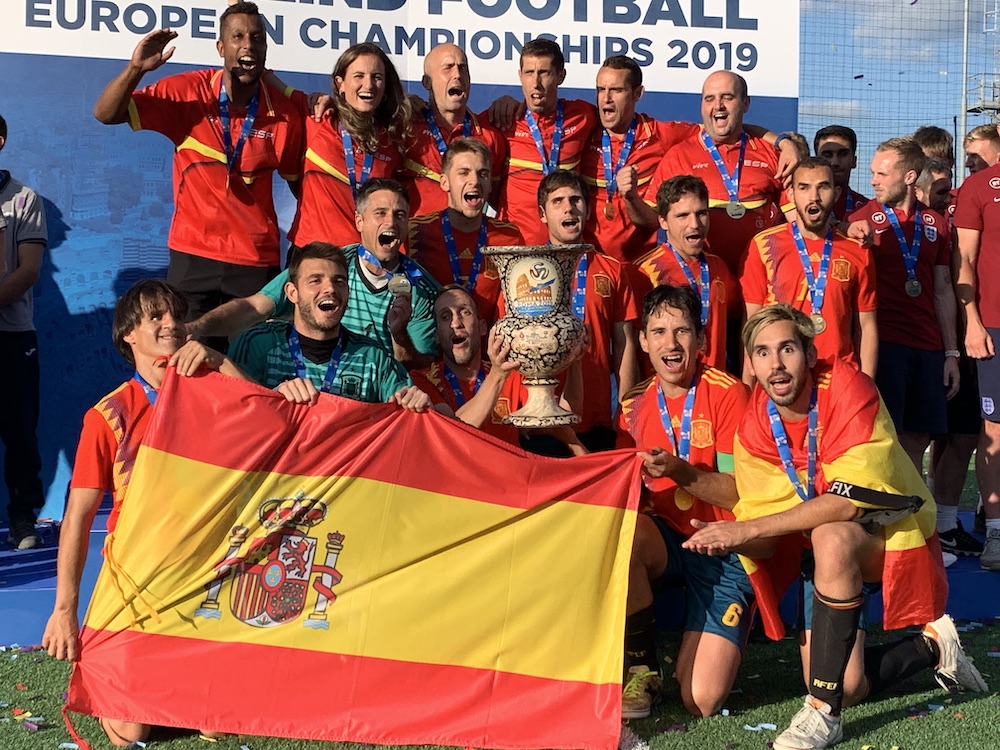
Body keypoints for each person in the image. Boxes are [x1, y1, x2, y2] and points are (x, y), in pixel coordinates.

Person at [684, 304, 986, 750]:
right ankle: (932, 648)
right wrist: (729, 529)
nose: (776, 365)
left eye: (787, 348)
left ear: (809, 353)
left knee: (832, 533)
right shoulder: (757, 420)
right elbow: (764, 519)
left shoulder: (848, 386)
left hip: (892, 532)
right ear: (750, 363)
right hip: (821, 548)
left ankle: (822, 716)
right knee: (847, 683)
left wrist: (743, 530)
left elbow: (847, 505)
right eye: (763, 353)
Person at [41, 280, 247, 746]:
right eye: (156, 317)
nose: (170, 324)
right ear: (129, 335)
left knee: (218, 726)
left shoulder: (216, 390)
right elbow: (76, 518)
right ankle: (131, 682)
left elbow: (271, 419)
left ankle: (175, 682)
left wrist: (221, 361)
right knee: (130, 730)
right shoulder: (108, 416)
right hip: (137, 584)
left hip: (207, 578)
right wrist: (64, 610)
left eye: (175, 316)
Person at [92, 4, 303, 328]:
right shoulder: (190, 93)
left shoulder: (284, 113)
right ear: (221, 47)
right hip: (193, 255)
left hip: (255, 261)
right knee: (186, 362)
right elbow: (106, 114)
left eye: (257, 38)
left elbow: (301, 187)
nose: (248, 44)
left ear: (265, 48)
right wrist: (136, 68)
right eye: (237, 36)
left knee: (250, 371)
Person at [616, 284, 750, 720]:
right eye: (658, 332)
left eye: (681, 331)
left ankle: (734, 618)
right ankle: (644, 668)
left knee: (701, 701)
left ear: (701, 339)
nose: (670, 344)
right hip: (670, 541)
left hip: (723, 544)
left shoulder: (729, 393)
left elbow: (735, 492)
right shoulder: (632, 405)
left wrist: (679, 471)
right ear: (642, 342)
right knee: (623, 536)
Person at [188, 178, 440, 369]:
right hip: (312, 392)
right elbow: (254, 307)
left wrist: (398, 334)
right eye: (380, 213)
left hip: (376, 402)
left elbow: (417, 369)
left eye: (400, 215)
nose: (391, 223)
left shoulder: (420, 287)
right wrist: (197, 327)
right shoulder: (327, 266)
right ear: (359, 221)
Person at [848, 138, 960, 470]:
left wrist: (951, 353)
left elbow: (942, 290)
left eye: (882, 174)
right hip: (886, 344)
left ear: (909, 177)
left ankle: (911, 510)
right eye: (872, 173)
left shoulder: (936, 225)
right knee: (886, 434)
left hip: (927, 345)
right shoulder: (861, 220)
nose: (873, 181)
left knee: (918, 438)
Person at [627, 71, 796, 278]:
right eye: (710, 99)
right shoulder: (679, 155)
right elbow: (653, 221)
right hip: (702, 282)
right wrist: (631, 198)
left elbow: (797, 221)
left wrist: (785, 142)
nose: (718, 105)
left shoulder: (772, 153)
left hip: (758, 279)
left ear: (745, 103)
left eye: (727, 97)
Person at [230, 242, 431, 411]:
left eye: (339, 281)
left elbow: (409, 413)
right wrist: (272, 399)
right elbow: (230, 411)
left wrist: (417, 403)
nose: (330, 289)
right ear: (292, 293)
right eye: (315, 280)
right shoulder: (256, 344)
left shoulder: (374, 357)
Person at [532, 169, 640, 453]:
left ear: (587, 209)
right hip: (543, 418)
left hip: (597, 418)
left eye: (576, 200)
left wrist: (626, 412)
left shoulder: (613, 270)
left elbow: (625, 344)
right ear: (542, 214)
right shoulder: (525, 270)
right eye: (557, 201)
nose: (569, 207)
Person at [742, 158, 877, 378]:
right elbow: (752, 324)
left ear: (836, 193)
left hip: (839, 377)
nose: (813, 197)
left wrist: (867, 384)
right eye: (804, 187)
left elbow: (866, 325)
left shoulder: (858, 250)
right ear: (791, 194)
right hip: (781, 377)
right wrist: (749, 386)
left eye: (822, 187)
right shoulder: (762, 245)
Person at [286, 43, 412, 255]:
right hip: (311, 252)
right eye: (359, 76)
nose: (368, 84)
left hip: (363, 258)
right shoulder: (317, 119)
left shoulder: (392, 141)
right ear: (340, 83)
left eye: (377, 77)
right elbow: (266, 80)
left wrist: (416, 104)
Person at [407, 138, 523, 328]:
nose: (475, 181)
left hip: (488, 353)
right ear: (445, 182)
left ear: (490, 184)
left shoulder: (509, 237)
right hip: (431, 354)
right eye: (464, 173)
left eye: (483, 174)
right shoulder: (415, 232)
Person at [492, 39, 599, 244]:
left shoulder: (584, 116)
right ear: (519, 75)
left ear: (561, 76)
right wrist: (415, 106)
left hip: (566, 247)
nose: (536, 83)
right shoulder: (503, 120)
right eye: (529, 73)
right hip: (516, 247)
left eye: (544, 73)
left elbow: (622, 124)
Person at [0, 113, 47, 550]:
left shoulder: (23, 200)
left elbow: (28, 272)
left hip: (13, 337)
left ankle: (22, 519)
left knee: (19, 430)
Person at [632, 175, 736, 371]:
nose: (694, 224)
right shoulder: (644, 272)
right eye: (682, 216)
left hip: (715, 388)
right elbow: (633, 344)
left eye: (701, 213)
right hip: (669, 392)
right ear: (663, 221)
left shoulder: (719, 268)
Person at [953, 141, 1000, 570]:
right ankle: (997, 533)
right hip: (995, 326)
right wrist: (972, 320)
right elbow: (963, 258)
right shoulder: (980, 185)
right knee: (995, 431)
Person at [398, 44, 506, 216]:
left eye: (463, 68)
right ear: (427, 82)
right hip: (415, 240)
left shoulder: (490, 134)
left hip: (469, 240)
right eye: (447, 68)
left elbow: (501, 202)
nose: (457, 75)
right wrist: (401, 105)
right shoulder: (405, 127)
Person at [409, 286, 522, 444]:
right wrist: (497, 376)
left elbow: (558, 417)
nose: (455, 323)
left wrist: (570, 358)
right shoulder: (421, 380)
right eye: (445, 317)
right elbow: (451, 435)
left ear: (482, 327)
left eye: (464, 312)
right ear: (436, 336)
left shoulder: (512, 375)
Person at [813, 125, 869, 221]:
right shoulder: (801, 206)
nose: (835, 162)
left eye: (843, 154)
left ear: (854, 161)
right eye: (827, 155)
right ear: (816, 161)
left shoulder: (867, 208)